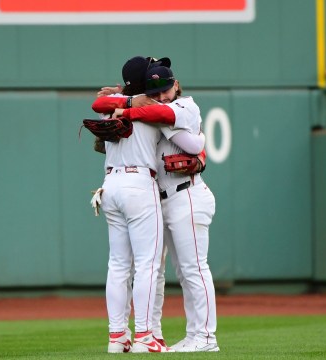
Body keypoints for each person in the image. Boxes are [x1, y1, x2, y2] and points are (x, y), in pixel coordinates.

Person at [92, 56, 205, 354]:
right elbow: (193, 145)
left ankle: (117, 337)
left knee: (117, 265)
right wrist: (202, 137)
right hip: (139, 184)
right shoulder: (151, 109)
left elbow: (100, 109)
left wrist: (122, 97)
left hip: (110, 184)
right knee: (146, 265)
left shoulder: (115, 102)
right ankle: (144, 335)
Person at [113, 66, 220, 352]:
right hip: (162, 198)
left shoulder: (185, 104)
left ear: (176, 85)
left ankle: (206, 337)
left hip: (188, 194)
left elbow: (191, 140)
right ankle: (189, 334)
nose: (162, 96)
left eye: (166, 89)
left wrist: (126, 109)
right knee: (177, 272)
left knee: (194, 269)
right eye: (155, 93)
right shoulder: (153, 111)